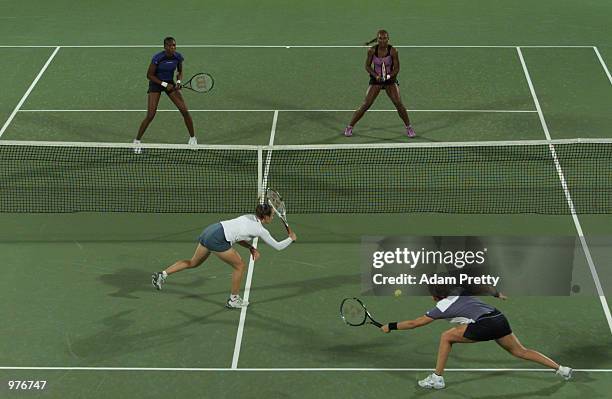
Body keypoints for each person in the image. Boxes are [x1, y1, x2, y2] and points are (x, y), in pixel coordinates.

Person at [380, 288, 572, 389]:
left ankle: (437, 378)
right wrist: (496, 294)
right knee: (520, 351)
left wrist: (390, 326)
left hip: (485, 324)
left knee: (446, 336)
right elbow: (481, 285)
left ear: (435, 297)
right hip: (498, 317)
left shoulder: (441, 307)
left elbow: (415, 323)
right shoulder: (460, 291)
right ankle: (561, 369)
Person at [151, 203, 297, 308]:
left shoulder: (249, 217)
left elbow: (238, 236)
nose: (273, 216)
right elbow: (278, 247)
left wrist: (251, 247)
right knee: (239, 266)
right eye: (272, 215)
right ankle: (233, 300)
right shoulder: (261, 230)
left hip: (211, 230)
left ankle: (162, 274)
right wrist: (291, 238)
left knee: (193, 262)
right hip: (218, 239)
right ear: (265, 217)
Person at [344, 30, 415, 138]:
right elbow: (367, 66)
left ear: (388, 39)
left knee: (398, 103)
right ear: (377, 39)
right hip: (376, 79)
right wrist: (376, 75)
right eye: (380, 38)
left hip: (390, 80)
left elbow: (397, 68)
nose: (382, 40)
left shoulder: (393, 51)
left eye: (385, 38)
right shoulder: (372, 51)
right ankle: (349, 127)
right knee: (365, 105)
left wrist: (388, 76)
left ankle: (409, 127)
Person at [134, 37, 196, 153]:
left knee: (185, 111)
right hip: (156, 84)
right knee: (151, 114)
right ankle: (136, 141)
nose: (172, 48)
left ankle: (193, 138)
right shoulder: (158, 58)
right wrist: (163, 84)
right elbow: (149, 75)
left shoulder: (178, 57)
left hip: (170, 84)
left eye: (174, 45)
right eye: (170, 46)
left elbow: (180, 71)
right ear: (165, 47)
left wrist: (178, 82)